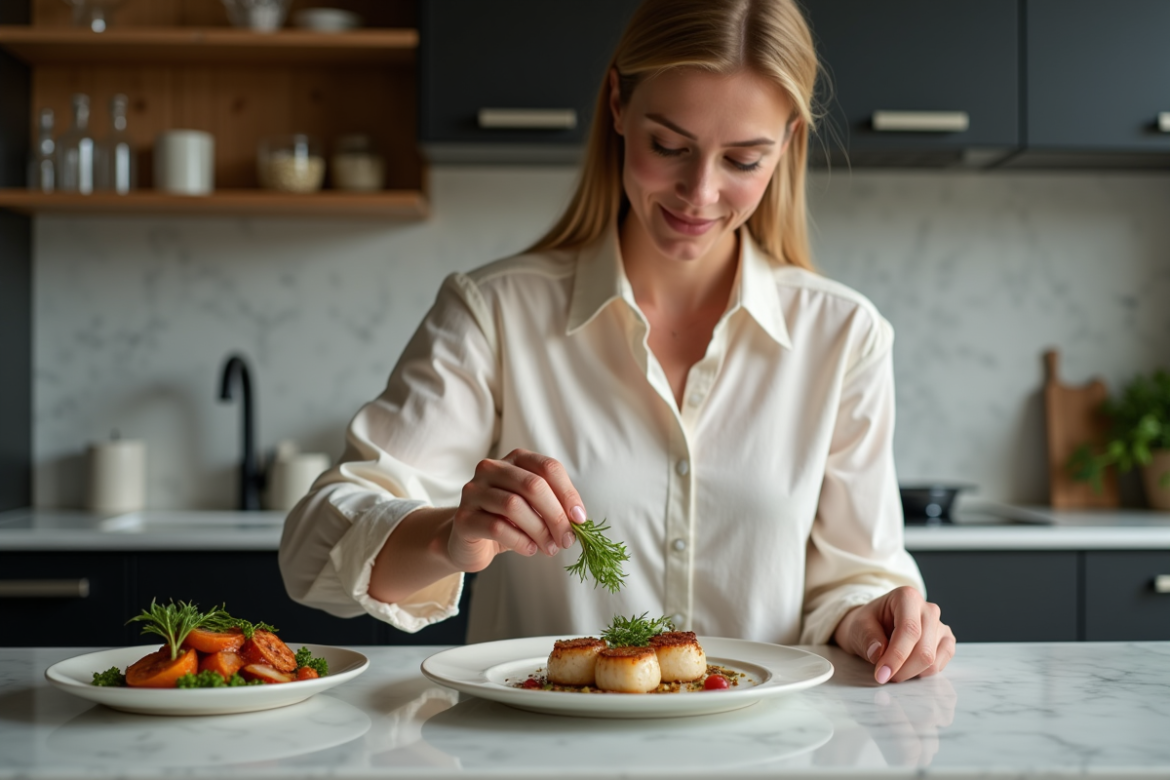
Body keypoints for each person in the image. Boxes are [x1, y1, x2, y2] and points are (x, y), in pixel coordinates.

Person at [280, 0, 954, 684]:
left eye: (744, 159)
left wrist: (870, 617)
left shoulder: (843, 334)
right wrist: (452, 534)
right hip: (543, 751)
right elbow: (313, 548)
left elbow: (853, 575)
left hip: (764, 751)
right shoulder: (494, 312)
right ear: (617, 106)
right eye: (669, 146)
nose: (700, 193)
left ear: (789, 145)